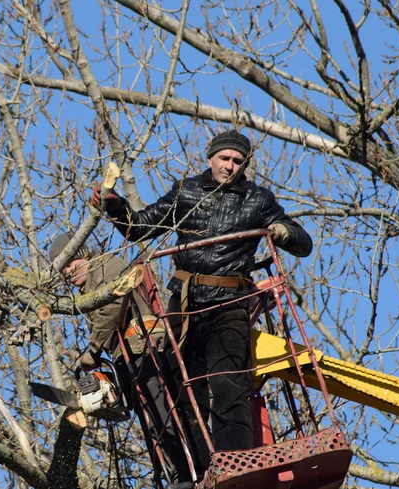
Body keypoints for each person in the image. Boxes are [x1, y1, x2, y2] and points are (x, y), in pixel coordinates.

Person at [91, 130, 313, 488]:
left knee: (228, 386)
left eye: (237, 161)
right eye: (224, 158)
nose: (230, 166)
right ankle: (198, 470)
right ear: (210, 158)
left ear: (244, 166)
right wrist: (116, 208)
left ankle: (235, 468)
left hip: (230, 304)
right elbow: (140, 227)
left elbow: (304, 242)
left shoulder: (258, 199)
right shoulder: (187, 191)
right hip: (186, 306)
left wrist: (282, 230)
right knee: (182, 390)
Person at [49, 233, 186, 484]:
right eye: (62, 268)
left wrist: (92, 351)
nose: (67, 271)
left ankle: (185, 469)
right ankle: (173, 474)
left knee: (162, 413)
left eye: (69, 263)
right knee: (150, 424)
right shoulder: (88, 286)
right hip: (127, 356)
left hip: (144, 349)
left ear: (83, 255)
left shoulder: (106, 265)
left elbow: (113, 305)